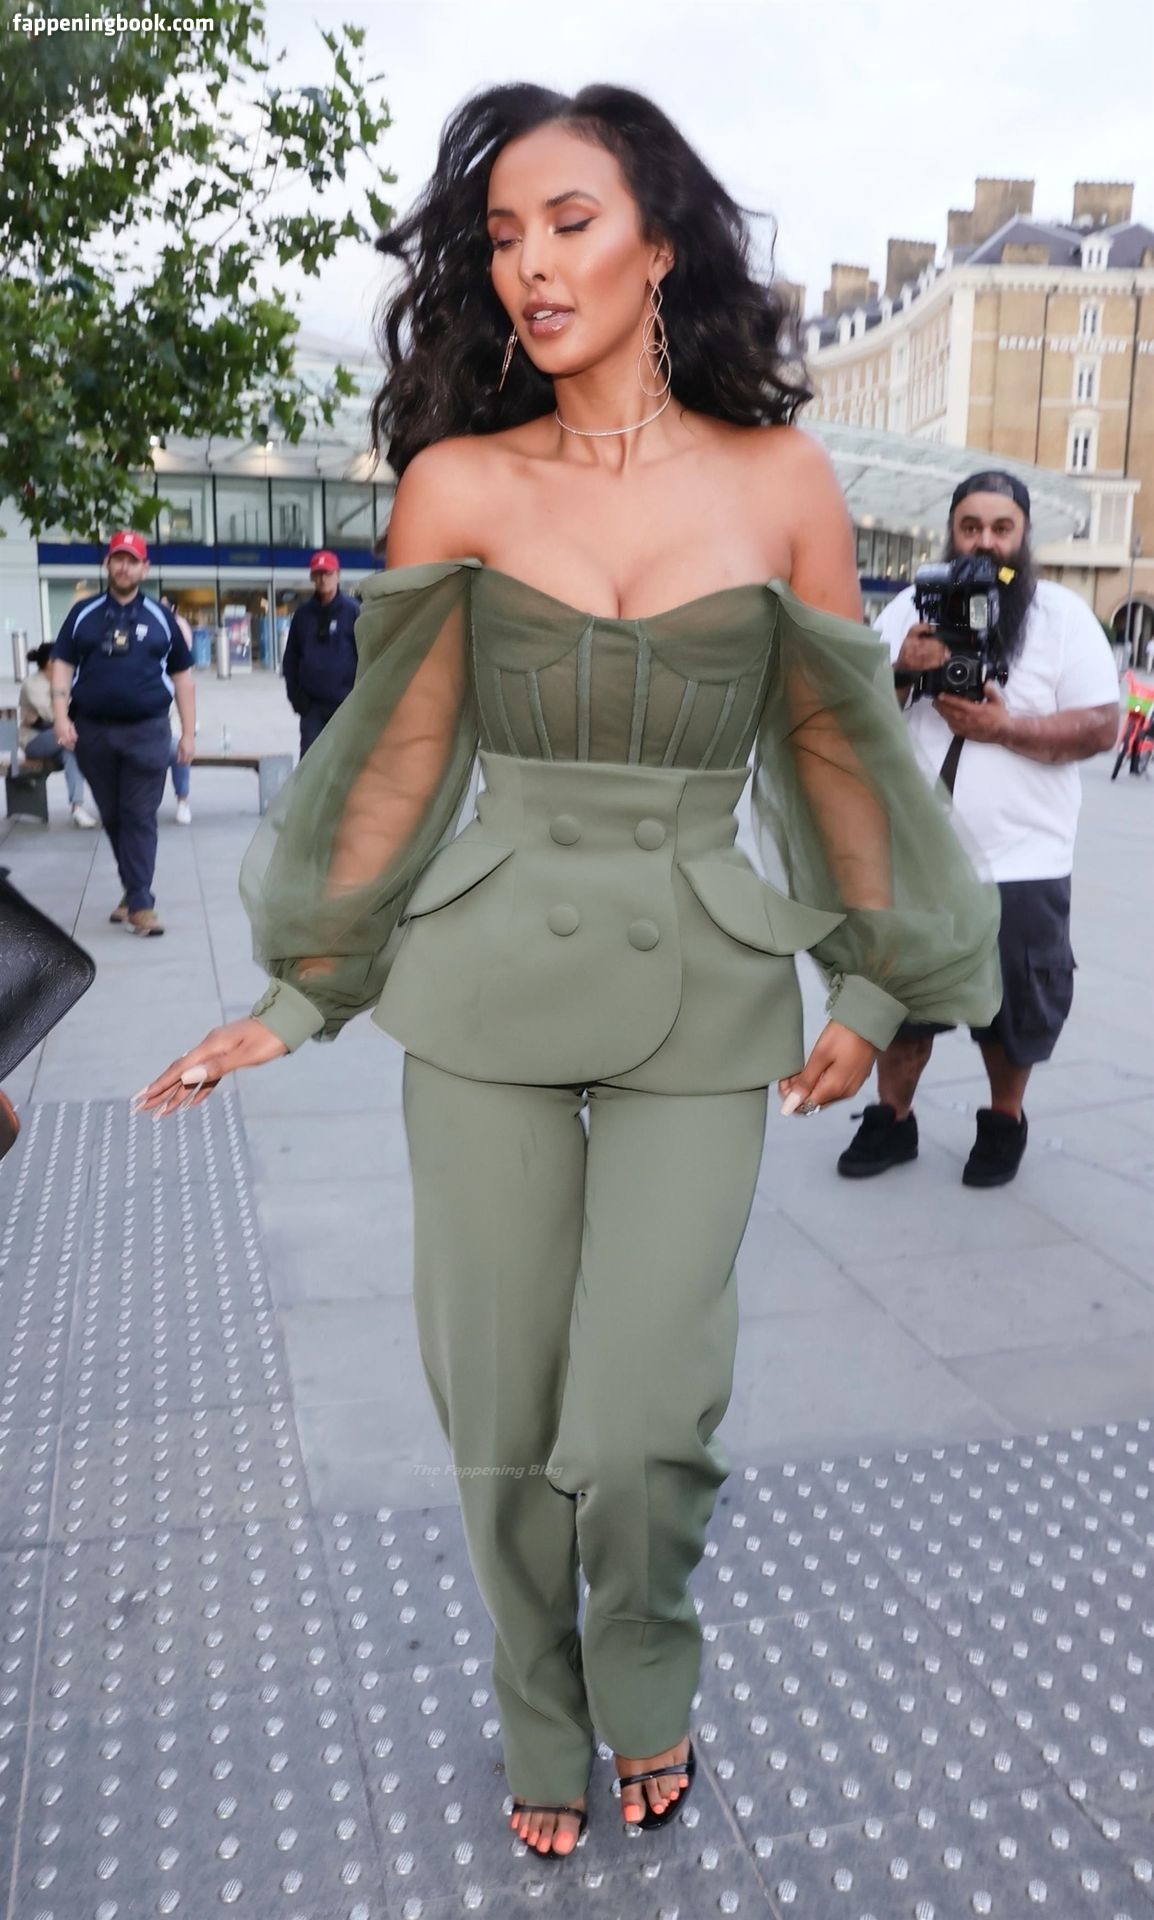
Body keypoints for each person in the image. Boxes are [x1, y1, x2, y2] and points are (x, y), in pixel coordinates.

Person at [136, 84, 999, 1857]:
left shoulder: (780, 482)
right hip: (483, 991)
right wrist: (300, 988)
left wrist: (868, 986)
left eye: (569, 222)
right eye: (502, 236)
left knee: (637, 1419)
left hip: (703, 986)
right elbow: (399, 755)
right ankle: (539, 1700)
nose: (528, 264)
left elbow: (833, 751)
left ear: (659, 245)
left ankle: (644, 1660)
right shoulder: (456, 483)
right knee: (500, 1407)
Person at [838, 472, 1119, 1189]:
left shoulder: (1061, 615)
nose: (984, 542)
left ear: (1023, 537)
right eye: (970, 527)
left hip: (1024, 859)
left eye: (1001, 528)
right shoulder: (907, 607)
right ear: (951, 533)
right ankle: (892, 1119)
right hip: (916, 857)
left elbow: (1100, 726)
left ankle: (1003, 1121)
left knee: (1014, 1010)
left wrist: (1006, 727)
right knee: (901, 1005)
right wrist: (902, 671)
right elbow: (851, 714)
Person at [50, 530, 196, 937]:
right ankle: (133, 891)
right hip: (94, 732)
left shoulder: (162, 618)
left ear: (144, 568)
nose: (124, 567)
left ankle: (142, 905)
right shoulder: (83, 614)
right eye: (118, 558)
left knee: (139, 815)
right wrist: (60, 716)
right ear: (107, 564)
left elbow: (183, 678)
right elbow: (62, 664)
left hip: (148, 732)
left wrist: (187, 733)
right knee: (114, 816)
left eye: (133, 560)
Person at [280, 551, 361, 756]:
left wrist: (359, 698)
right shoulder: (303, 615)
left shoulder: (353, 612)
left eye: (328, 573)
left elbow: (366, 655)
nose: (323, 579)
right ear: (311, 577)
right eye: (318, 574)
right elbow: (291, 659)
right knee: (311, 764)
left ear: (338, 575)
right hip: (312, 708)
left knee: (345, 763)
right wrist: (296, 698)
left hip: (345, 705)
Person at [17, 641, 98, 827]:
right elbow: (53, 715)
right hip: (34, 741)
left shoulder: (62, 681)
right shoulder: (33, 684)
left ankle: (77, 808)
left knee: (72, 755)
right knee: (78, 738)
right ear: (50, 662)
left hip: (58, 739)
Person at [161, 596, 195, 824]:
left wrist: (187, 734)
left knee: (178, 751)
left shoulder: (178, 625)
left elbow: (184, 683)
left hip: (165, 729)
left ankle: (183, 801)